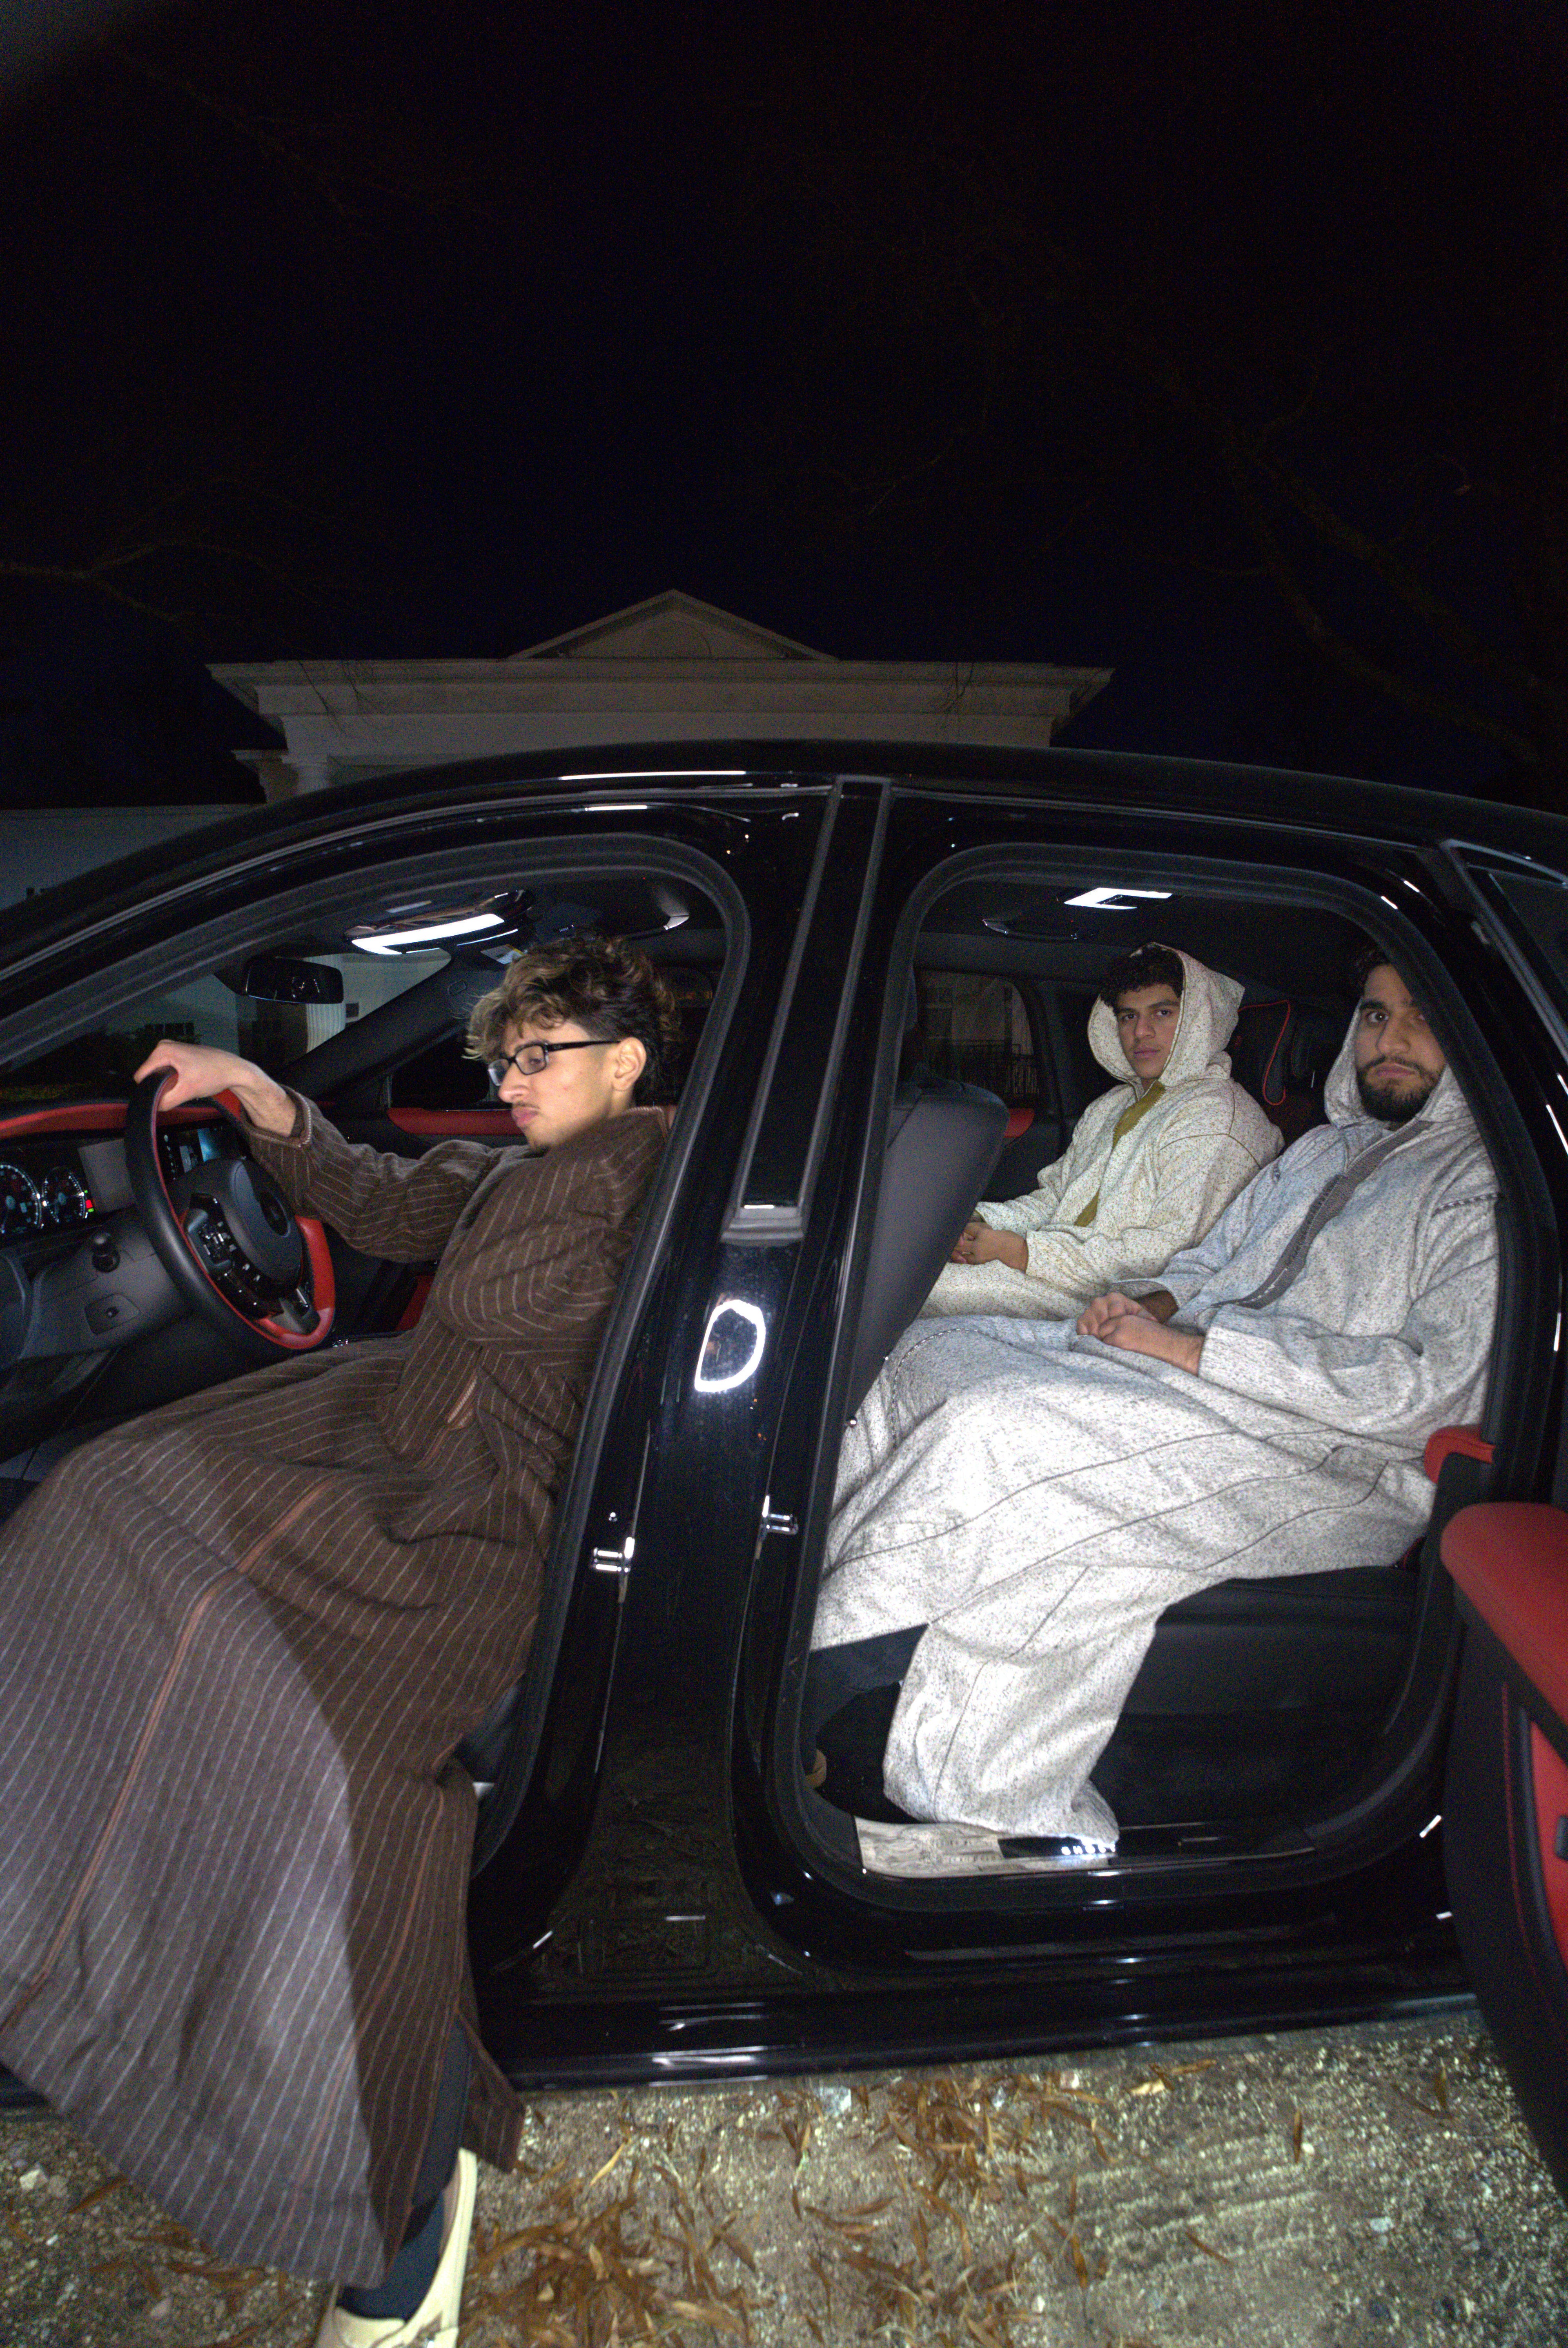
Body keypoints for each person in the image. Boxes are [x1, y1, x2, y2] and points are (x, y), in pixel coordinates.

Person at [0, 935, 678, 2347]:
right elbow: (382, 1197)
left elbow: (575, 1314)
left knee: (318, 1735)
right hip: (392, 1424)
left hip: (485, 1506)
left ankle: (391, 2167)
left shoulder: (658, 1177)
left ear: (626, 1059)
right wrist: (253, 1091)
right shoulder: (524, 1168)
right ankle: (52, 1882)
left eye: (539, 1054)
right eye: (503, 1055)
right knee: (103, 1496)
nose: (511, 1078)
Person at [808, 956, 1498, 1848]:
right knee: (932, 1349)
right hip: (1202, 1379)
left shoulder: (1479, 1187)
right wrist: (1153, 1309)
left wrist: (1198, 1347)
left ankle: (839, 1667)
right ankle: (812, 1579)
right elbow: (1210, 1263)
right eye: (1374, 1015)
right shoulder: (1323, 1151)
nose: (1389, 1038)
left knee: (994, 1426)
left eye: (1421, 1016)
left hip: (1330, 1448)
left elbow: (1436, 1388)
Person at [924, 944, 1280, 1321]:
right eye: (1128, 1016)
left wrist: (1024, 1253)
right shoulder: (1113, 1105)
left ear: (1199, 1018)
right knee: (918, 1265)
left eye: (1162, 1012)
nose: (1140, 1032)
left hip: (1121, 1300)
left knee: (921, 1288)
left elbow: (1170, 1254)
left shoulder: (1217, 1119)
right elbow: (1056, 1199)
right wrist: (983, 1223)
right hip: (1061, 1272)